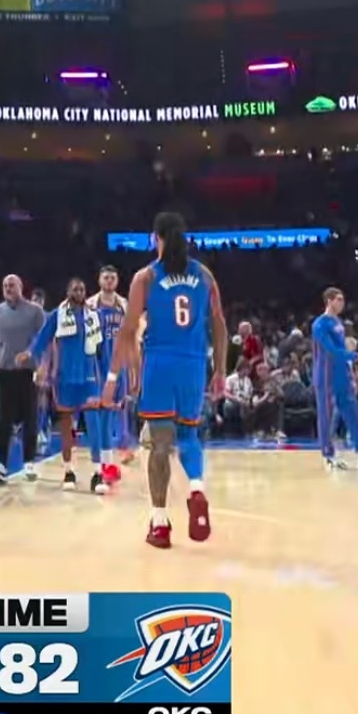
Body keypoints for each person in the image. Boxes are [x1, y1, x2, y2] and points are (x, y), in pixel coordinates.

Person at [104, 212, 226, 549]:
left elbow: (128, 330)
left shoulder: (145, 277)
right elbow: (219, 323)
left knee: (159, 443)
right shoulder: (204, 275)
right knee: (188, 435)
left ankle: (159, 523)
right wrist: (219, 370)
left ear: (154, 238)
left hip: (159, 363)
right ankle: (197, 488)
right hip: (193, 363)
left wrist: (114, 377)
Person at [24, 276, 108, 494]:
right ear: (68, 292)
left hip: (89, 378)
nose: (78, 292)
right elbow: (43, 337)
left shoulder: (95, 316)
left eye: (81, 289)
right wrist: (30, 353)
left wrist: (110, 376)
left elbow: (103, 349)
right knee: (66, 427)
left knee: (93, 425)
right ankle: (69, 471)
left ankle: (98, 473)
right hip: (64, 378)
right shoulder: (57, 315)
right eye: (74, 289)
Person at [0, 273, 46, 484]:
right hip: (4, 371)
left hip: (28, 371)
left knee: (30, 417)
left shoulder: (35, 311)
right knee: (3, 419)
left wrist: (42, 366)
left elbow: (44, 339)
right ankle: (0, 463)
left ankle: (29, 461)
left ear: (21, 287)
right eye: (5, 285)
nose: (8, 288)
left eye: (12, 285)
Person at [312, 288, 358, 471]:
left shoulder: (338, 323)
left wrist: (351, 368)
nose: (342, 303)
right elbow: (331, 350)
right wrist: (356, 357)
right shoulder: (319, 324)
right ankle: (328, 456)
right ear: (329, 301)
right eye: (339, 299)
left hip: (341, 373)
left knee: (352, 412)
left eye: (342, 299)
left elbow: (341, 349)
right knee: (326, 415)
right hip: (325, 374)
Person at [93, 266, 134, 472]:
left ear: (117, 281)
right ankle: (104, 454)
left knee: (122, 405)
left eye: (112, 278)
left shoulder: (124, 304)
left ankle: (124, 446)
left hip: (120, 361)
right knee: (103, 408)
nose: (109, 281)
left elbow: (131, 336)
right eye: (106, 277)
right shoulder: (91, 304)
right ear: (100, 280)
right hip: (99, 362)